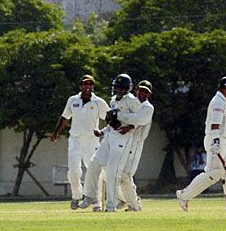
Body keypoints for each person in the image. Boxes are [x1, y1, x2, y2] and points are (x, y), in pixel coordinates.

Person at [176, 76, 226, 213]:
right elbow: (214, 125)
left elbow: (222, 125)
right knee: (213, 173)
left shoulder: (223, 102)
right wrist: (216, 141)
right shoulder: (217, 102)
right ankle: (184, 195)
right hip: (217, 141)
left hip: (224, 141)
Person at [78, 73, 140, 212]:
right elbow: (112, 123)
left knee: (112, 172)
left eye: (122, 88)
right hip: (110, 136)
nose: (119, 90)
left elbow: (139, 119)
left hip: (123, 138)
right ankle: (90, 196)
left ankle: (111, 206)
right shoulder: (113, 100)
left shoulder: (132, 100)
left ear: (128, 88)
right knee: (94, 163)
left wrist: (129, 127)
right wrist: (102, 132)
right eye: (118, 87)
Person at [50, 74, 110, 211]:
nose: (87, 87)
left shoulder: (98, 102)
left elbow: (110, 118)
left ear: (93, 87)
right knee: (73, 171)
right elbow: (65, 117)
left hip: (91, 140)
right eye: (85, 84)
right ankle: (76, 195)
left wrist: (105, 132)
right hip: (75, 140)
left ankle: (97, 202)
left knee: (94, 171)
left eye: (90, 84)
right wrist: (56, 132)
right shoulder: (73, 100)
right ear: (80, 86)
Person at [116, 79, 155, 211]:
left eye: (146, 92)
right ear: (136, 90)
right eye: (141, 90)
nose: (142, 94)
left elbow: (138, 120)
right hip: (123, 142)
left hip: (136, 144)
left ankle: (134, 205)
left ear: (149, 94)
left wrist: (119, 116)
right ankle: (126, 199)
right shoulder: (131, 103)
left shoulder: (148, 108)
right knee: (114, 172)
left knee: (125, 174)